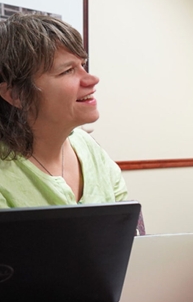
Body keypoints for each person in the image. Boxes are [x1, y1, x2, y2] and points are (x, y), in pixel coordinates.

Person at [0, 13, 144, 235]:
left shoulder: (90, 149)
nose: (91, 80)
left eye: (83, 65)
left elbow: (131, 239)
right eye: (67, 70)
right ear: (16, 95)